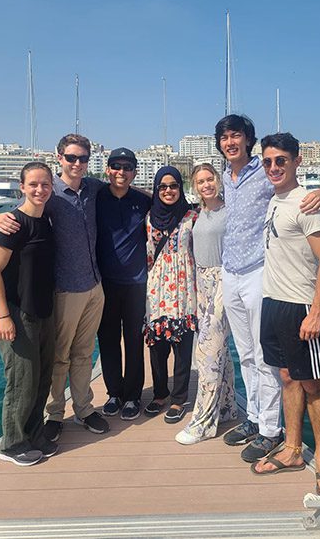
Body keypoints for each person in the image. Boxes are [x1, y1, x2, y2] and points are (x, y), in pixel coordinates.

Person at [215, 114, 320, 463]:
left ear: (248, 140)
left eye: (236, 136)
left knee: (268, 361)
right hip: (230, 272)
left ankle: (270, 429)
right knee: (246, 353)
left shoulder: (263, 172)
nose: (230, 142)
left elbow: (299, 190)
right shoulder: (225, 177)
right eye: (224, 137)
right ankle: (253, 417)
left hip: (257, 274)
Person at [0, 133, 110, 441]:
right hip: (65, 289)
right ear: (60, 158)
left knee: (84, 353)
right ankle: (55, 413)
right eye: (71, 157)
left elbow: (125, 188)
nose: (77, 163)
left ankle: (83, 408)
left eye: (83, 158)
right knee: (60, 356)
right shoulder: (48, 190)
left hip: (95, 286)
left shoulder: (92, 187)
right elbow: (19, 213)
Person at [249, 133, 320, 500]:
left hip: (300, 307)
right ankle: (291, 449)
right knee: (287, 377)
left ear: (296, 161)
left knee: (312, 383)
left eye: (280, 160)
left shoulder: (308, 206)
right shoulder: (275, 200)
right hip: (272, 303)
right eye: (268, 161)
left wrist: (316, 312)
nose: (273, 167)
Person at [0, 162, 58, 466]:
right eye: (33, 185)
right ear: (22, 187)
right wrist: (3, 316)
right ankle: (12, 444)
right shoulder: (13, 224)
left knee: (41, 378)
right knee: (21, 381)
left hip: (44, 311)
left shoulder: (47, 220)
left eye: (45, 185)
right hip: (18, 313)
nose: (39, 190)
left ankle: (34, 434)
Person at [175, 163, 240, 445]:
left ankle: (203, 421)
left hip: (224, 279)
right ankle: (226, 407)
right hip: (201, 282)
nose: (206, 185)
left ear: (218, 180)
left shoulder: (232, 210)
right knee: (219, 348)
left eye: (209, 179)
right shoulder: (195, 213)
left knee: (207, 353)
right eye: (200, 181)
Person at [95, 148, 150, 421]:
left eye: (127, 167)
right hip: (104, 283)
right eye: (116, 165)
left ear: (134, 172)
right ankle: (114, 393)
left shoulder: (143, 200)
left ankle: (133, 396)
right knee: (107, 340)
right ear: (108, 169)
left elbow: (175, 207)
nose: (121, 171)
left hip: (136, 284)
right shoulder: (96, 196)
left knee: (134, 340)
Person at [142, 166, 198, 424]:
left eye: (173, 186)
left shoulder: (192, 217)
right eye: (162, 187)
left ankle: (179, 398)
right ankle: (160, 393)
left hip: (183, 290)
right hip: (156, 289)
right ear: (156, 189)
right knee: (157, 348)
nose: (168, 191)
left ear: (180, 188)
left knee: (183, 349)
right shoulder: (149, 218)